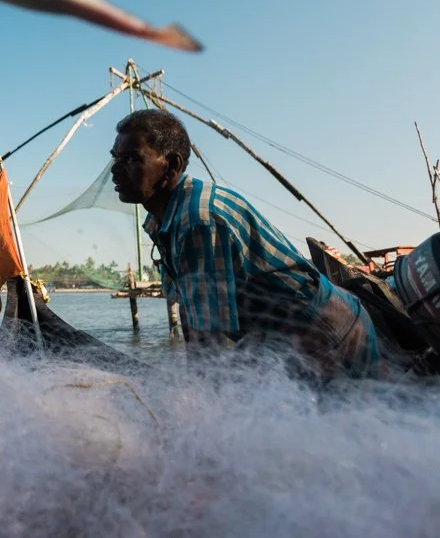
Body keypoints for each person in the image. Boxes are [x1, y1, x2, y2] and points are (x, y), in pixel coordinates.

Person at [110, 109, 383, 382]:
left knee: (339, 419)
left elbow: (210, 343)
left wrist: (196, 399)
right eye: (116, 158)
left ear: (171, 165)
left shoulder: (198, 222)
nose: (115, 169)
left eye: (132, 159)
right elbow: (191, 312)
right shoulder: (164, 219)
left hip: (328, 332)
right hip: (282, 335)